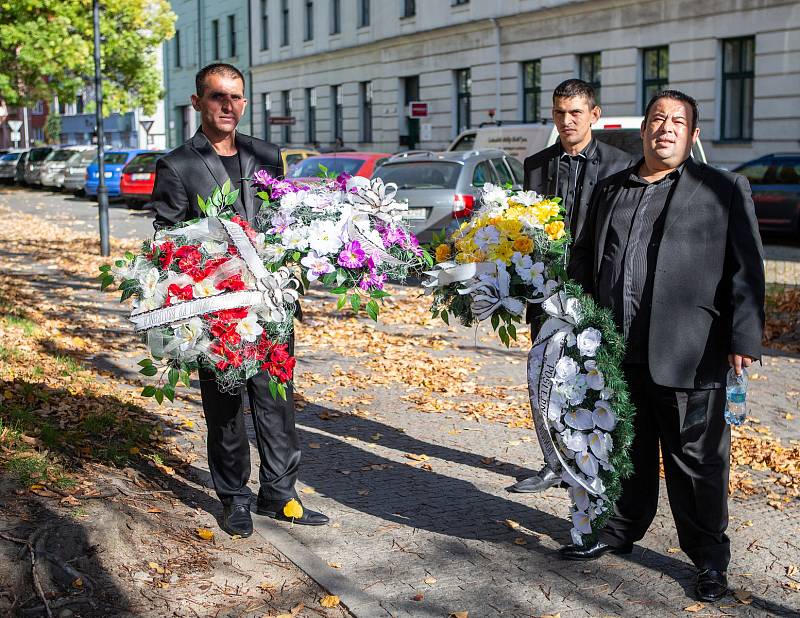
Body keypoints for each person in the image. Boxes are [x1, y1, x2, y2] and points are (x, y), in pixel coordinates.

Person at [563, 90, 765, 603]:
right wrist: (572, 321)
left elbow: (747, 268)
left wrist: (744, 335)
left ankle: (709, 560)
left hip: (690, 351)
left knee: (697, 463)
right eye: (658, 118)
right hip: (617, 349)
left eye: (678, 121)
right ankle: (619, 530)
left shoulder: (722, 188)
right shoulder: (612, 189)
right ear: (644, 129)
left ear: (693, 135)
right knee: (624, 447)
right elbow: (585, 257)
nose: (666, 127)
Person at [149, 63, 329, 537]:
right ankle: (234, 498)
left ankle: (281, 494)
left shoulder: (266, 155)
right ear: (198, 103)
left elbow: (286, 222)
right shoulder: (177, 165)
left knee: (276, 401)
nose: (229, 107)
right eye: (217, 97)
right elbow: (166, 242)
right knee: (225, 408)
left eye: (236, 98)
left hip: (272, 307)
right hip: (218, 312)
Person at [508, 79, 633, 494]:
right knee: (544, 382)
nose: (566, 120)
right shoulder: (536, 164)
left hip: (595, 296)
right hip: (545, 296)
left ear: (594, 115)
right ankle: (552, 462)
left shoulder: (621, 164)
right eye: (560, 112)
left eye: (575, 112)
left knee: (589, 383)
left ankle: (588, 463)